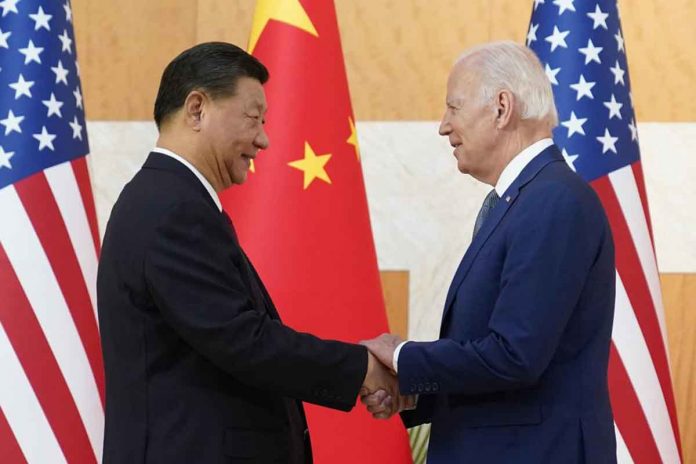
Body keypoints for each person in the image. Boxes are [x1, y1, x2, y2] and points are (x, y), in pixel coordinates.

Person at [97, 42, 396, 464]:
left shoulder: (170, 200)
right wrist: (361, 368)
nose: (264, 139)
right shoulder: (170, 208)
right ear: (197, 108)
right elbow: (243, 340)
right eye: (253, 118)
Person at [361, 41, 617, 463]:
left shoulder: (553, 200)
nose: (444, 126)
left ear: (501, 108)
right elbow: (502, 359)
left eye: (453, 108)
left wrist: (405, 357)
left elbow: (516, 355)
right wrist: (417, 392)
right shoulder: (524, 199)